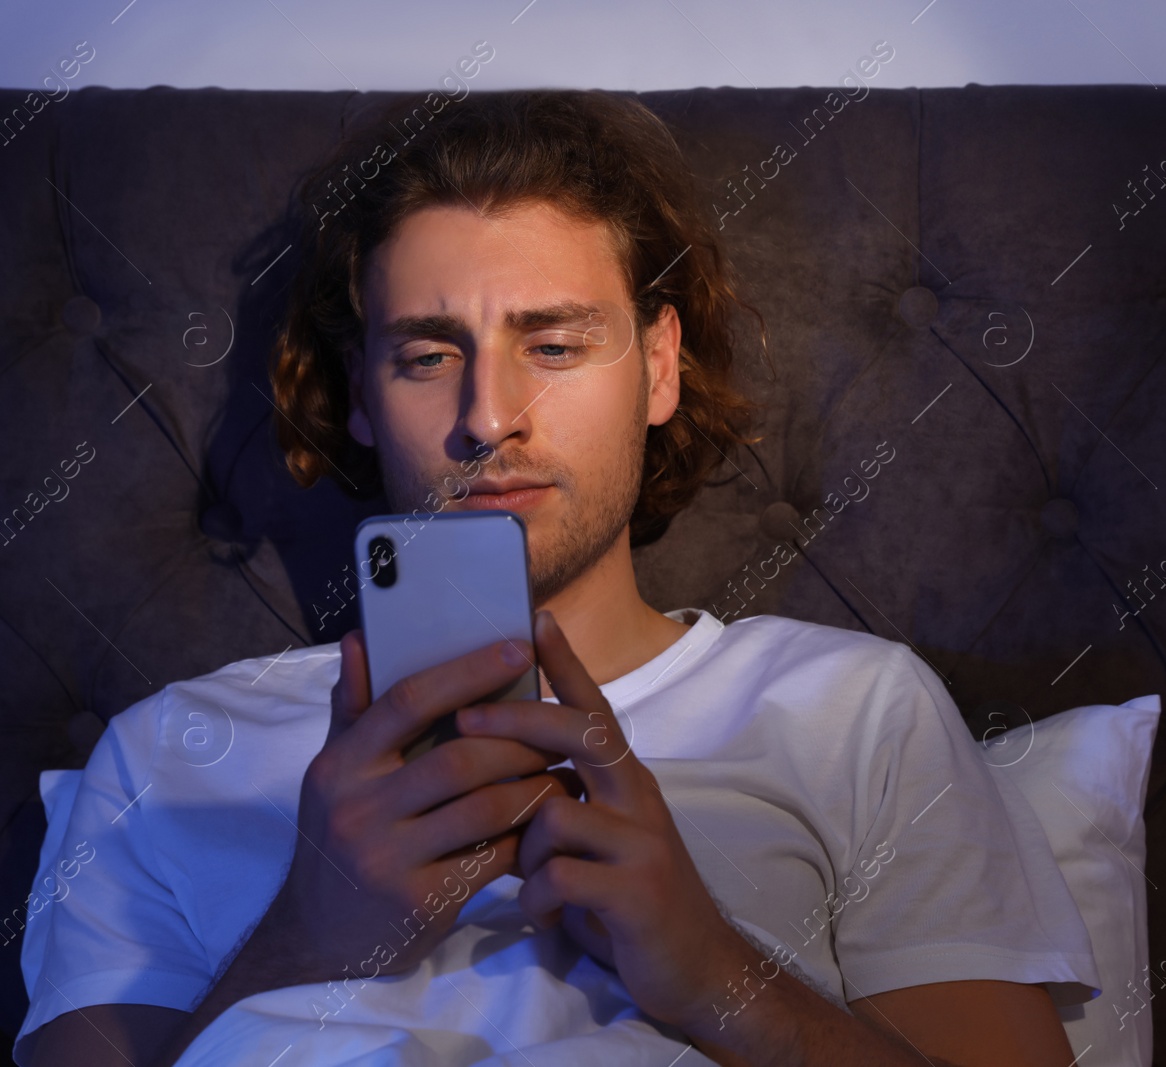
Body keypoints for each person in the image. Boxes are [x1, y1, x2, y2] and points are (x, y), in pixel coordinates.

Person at [17, 89, 1098, 1067]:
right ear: (361, 396)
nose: (488, 417)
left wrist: (718, 973)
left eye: (555, 344)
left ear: (660, 366)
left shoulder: (854, 710)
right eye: (427, 355)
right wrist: (306, 932)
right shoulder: (169, 753)